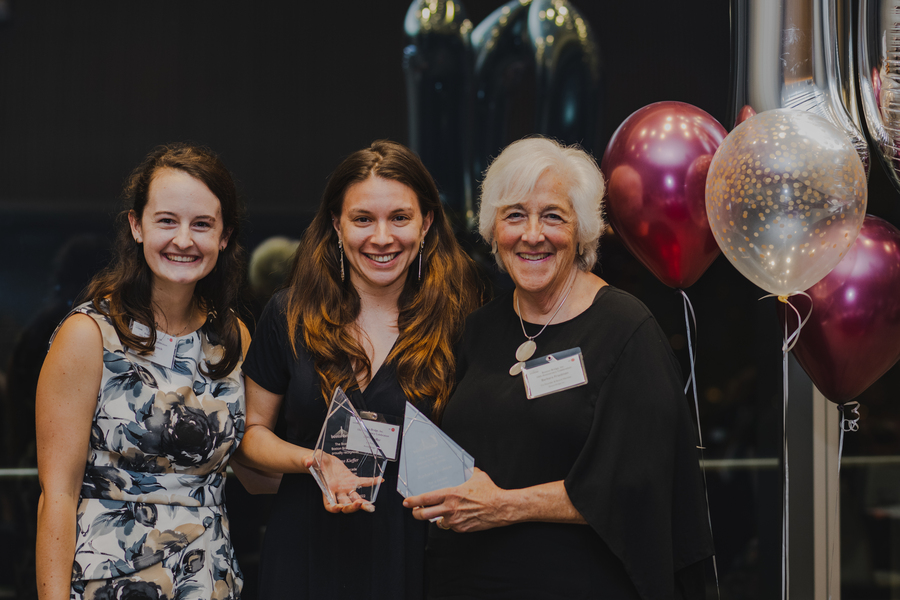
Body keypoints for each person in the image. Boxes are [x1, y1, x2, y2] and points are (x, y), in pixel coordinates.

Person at [404, 137, 714, 599]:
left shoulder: (626, 330)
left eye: (552, 215)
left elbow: (638, 485)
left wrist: (506, 506)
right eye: (514, 215)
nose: (532, 234)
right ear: (492, 230)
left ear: (583, 230)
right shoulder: (480, 329)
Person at [235, 139, 483, 600]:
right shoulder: (288, 315)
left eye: (400, 218)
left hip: (418, 555)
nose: (382, 237)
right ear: (336, 224)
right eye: (363, 219)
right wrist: (314, 460)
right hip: (306, 547)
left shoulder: (463, 323)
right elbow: (251, 436)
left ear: (427, 223)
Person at [35, 143, 271, 600]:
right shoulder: (89, 335)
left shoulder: (232, 336)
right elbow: (57, 495)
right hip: (113, 580)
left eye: (202, 224)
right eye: (167, 220)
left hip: (208, 578)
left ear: (224, 238)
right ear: (136, 226)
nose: (184, 239)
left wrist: (327, 462)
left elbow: (249, 466)